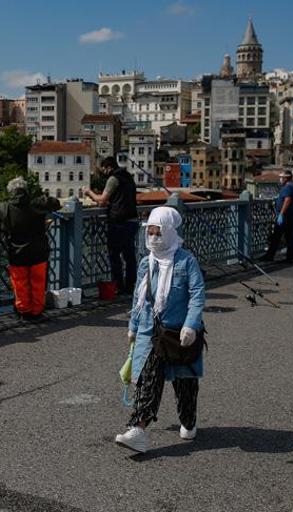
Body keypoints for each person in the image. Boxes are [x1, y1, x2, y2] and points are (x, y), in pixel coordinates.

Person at [115, 207, 205, 454]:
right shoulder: (146, 263)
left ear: (170, 233)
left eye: (158, 234)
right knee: (148, 380)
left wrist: (191, 324)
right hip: (150, 332)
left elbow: (197, 294)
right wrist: (133, 327)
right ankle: (138, 430)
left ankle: (189, 420)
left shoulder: (186, 261)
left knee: (185, 382)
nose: (153, 239)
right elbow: (138, 297)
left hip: (178, 334)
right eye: (150, 233)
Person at [0, 176, 61, 320]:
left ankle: (24, 311)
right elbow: (56, 203)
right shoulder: (37, 203)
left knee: (20, 284)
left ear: (10, 192)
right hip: (39, 251)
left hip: (17, 252)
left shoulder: (4, 207)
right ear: (25, 190)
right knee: (38, 283)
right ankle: (37, 311)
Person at [84, 156, 139, 295]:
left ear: (108, 167)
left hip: (118, 222)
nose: (103, 172)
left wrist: (89, 192)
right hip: (132, 220)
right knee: (129, 256)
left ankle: (119, 286)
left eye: (103, 169)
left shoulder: (114, 179)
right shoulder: (128, 177)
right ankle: (130, 286)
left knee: (114, 256)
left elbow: (102, 201)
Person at [261, 170, 293, 263]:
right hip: (291, 215)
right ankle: (289, 257)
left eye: (281, 178)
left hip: (285, 216)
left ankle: (270, 256)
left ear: (286, 178)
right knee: (289, 237)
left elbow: (287, 200)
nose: (280, 179)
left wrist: (281, 214)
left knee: (276, 236)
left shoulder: (287, 188)